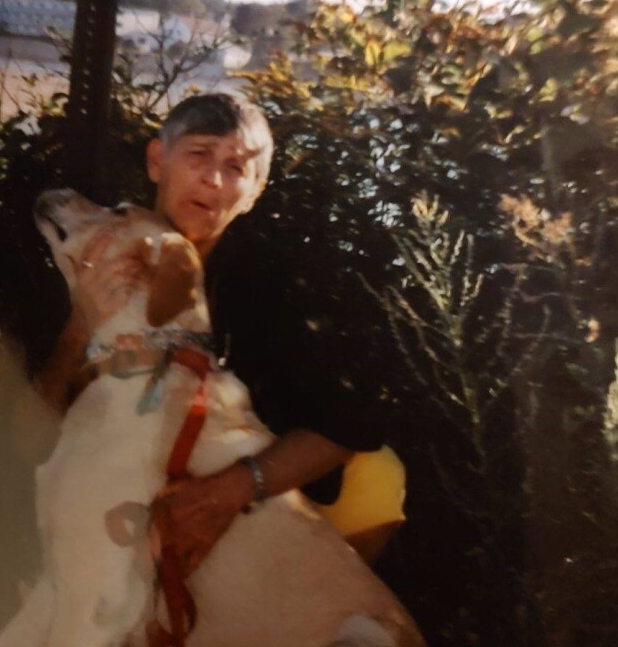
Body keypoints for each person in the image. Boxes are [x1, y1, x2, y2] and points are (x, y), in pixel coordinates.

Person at [35, 92, 404, 574]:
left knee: (378, 476)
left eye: (236, 167)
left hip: (254, 486)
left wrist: (229, 492)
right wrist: (80, 327)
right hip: (115, 477)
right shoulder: (93, 247)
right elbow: (27, 437)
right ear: (156, 160)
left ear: (255, 190)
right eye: (199, 154)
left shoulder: (276, 282)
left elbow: (354, 421)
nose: (213, 179)